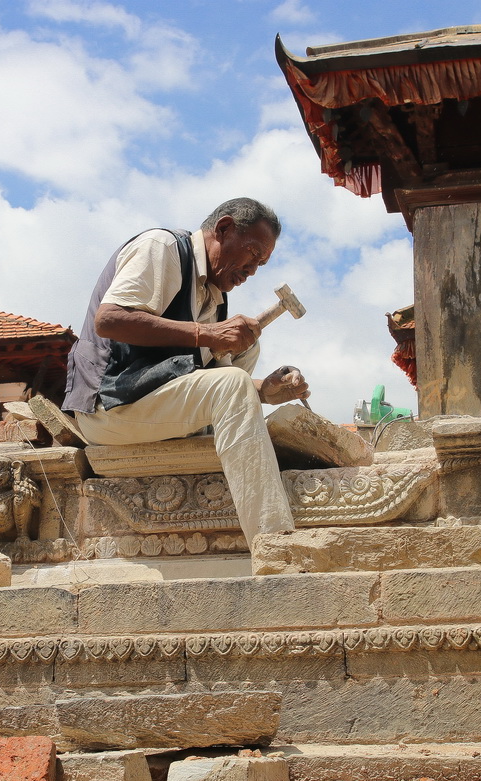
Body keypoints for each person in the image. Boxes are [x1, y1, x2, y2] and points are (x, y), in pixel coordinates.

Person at [62, 197, 310, 547]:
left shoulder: (215, 296)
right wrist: (206, 334)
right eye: (252, 254)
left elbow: (218, 375)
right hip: (110, 405)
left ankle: (216, 443)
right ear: (223, 229)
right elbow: (109, 319)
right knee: (232, 374)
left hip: (152, 401)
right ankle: (273, 541)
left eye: (262, 263)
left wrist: (266, 391)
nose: (252, 270)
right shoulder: (162, 248)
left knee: (246, 347)